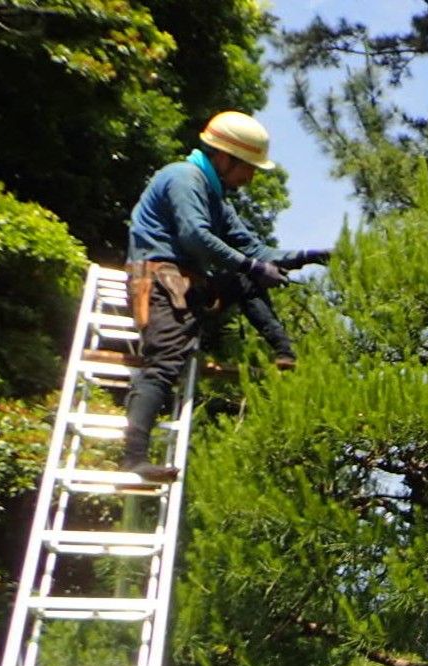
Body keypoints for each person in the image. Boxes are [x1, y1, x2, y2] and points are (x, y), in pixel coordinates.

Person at [120, 111, 329, 482]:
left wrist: (301, 257)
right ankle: (133, 457)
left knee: (247, 281)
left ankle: (286, 353)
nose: (249, 178)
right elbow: (194, 237)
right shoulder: (183, 178)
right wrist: (250, 266)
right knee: (166, 360)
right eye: (247, 167)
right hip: (159, 282)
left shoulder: (217, 199)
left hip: (190, 284)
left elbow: (253, 248)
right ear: (223, 157)